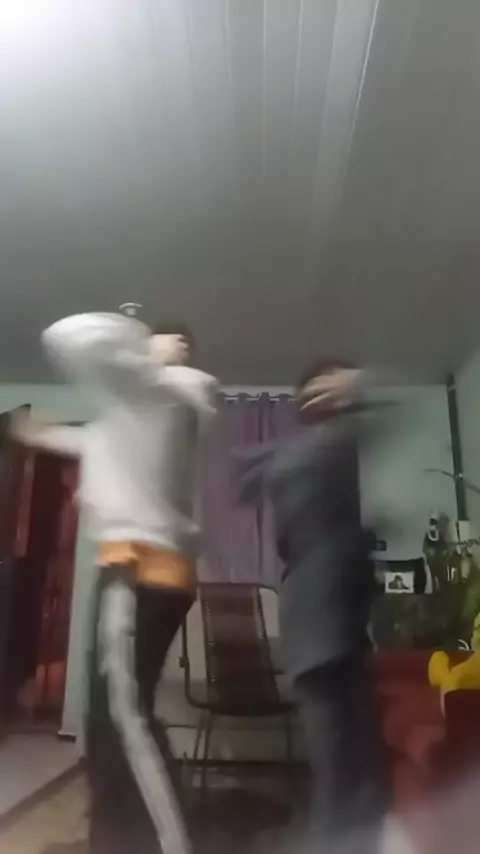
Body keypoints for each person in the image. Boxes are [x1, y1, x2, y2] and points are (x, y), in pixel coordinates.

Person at [11, 311, 219, 854]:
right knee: (106, 721)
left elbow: (74, 337)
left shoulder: (174, 391)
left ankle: (166, 844)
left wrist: (148, 350)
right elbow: (92, 441)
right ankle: (114, 838)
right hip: (130, 570)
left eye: (177, 342)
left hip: (142, 569)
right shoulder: (130, 417)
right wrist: (38, 434)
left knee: (124, 720)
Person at [236, 361, 390, 854]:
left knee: (354, 770)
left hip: (328, 626)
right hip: (322, 629)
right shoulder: (323, 448)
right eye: (337, 385)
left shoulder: (300, 454)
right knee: (346, 773)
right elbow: (388, 420)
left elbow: (245, 472)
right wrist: (363, 386)